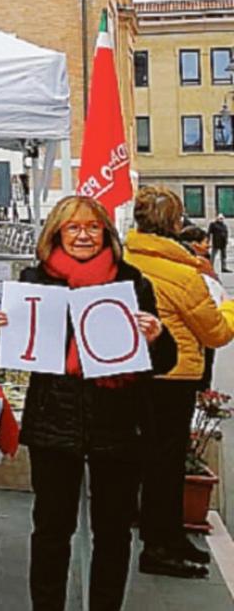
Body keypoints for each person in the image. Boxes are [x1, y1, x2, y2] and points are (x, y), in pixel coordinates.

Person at [0, 196, 175, 611]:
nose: (83, 234)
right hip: (55, 419)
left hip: (120, 421)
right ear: (56, 234)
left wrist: (157, 335)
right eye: (73, 227)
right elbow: (6, 352)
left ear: (106, 233)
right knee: (51, 529)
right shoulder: (35, 281)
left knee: (114, 531)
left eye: (92, 227)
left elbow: (162, 362)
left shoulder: (133, 282)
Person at [124, 186, 234, 578]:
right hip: (174, 376)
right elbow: (217, 333)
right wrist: (228, 303)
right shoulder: (183, 273)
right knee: (166, 463)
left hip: (135, 370)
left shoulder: (125, 258)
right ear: (175, 223)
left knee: (152, 460)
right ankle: (161, 545)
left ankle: (167, 536)